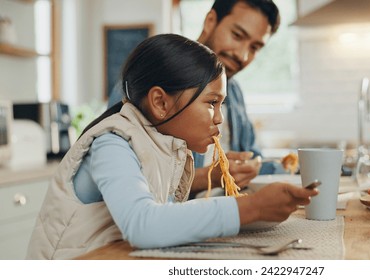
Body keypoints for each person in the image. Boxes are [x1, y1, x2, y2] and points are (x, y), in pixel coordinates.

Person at [25, 34, 316, 260]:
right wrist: (250, 207)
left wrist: (259, 211)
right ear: (161, 103)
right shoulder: (112, 144)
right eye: (211, 103)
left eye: (222, 104)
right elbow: (142, 225)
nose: (219, 118)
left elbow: (167, 221)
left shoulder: (169, 148)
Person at [108, 0, 286, 197]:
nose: (243, 55)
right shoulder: (150, 78)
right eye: (237, 35)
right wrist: (210, 176)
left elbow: (254, 154)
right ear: (210, 21)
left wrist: (257, 165)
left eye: (255, 47)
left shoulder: (235, 92)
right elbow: (129, 181)